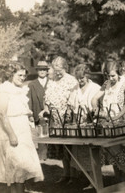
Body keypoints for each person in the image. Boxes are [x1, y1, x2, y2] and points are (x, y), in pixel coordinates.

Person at [0, 62, 44, 193]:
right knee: (14, 166)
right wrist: (12, 135)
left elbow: (18, 108)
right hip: (11, 131)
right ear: (10, 74)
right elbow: (1, 114)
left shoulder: (21, 90)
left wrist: (27, 114)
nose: (23, 78)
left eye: (24, 75)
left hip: (22, 131)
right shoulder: (4, 89)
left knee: (21, 168)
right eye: (19, 75)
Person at [91, 60, 125, 182]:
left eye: (113, 75)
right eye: (108, 76)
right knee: (112, 152)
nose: (111, 78)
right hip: (107, 122)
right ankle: (119, 180)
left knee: (122, 152)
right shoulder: (106, 84)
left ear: (119, 73)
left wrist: (124, 115)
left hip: (120, 122)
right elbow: (94, 98)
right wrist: (96, 109)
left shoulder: (124, 83)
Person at [39, 56, 78, 184]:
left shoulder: (71, 80)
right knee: (61, 147)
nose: (57, 73)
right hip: (55, 120)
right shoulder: (52, 80)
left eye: (59, 70)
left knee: (70, 147)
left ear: (65, 68)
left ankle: (73, 175)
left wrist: (68, 113)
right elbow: (46, 97)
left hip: (68, 119)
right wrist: (46, 109)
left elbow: (74, 100)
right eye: (55, 70)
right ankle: (65, 174)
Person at [69, 63, 101, 190]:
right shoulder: (75, 88)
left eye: (82, 78)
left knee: (91, 151)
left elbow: (98, 107)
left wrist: (90, 112)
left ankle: (95, 180)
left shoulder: (95, 88)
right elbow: (71, 106)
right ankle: (86, 179)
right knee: (80, 152)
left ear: (87, 76)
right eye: (78, 78)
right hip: (78, 122)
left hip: (91, 122)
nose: (80, 81)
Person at [27, 61, 50, 160]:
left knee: (53, 133)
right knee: (42, 134)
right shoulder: (32, 84)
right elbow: (29, 100)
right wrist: (30, 114)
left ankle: (53, 153)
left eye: (44, 69)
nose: (42, 71)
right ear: (37, 71)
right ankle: (43, 155)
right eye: (40, 69)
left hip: (50, 112)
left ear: (47, 71)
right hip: (38, 112)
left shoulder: (51, 82)